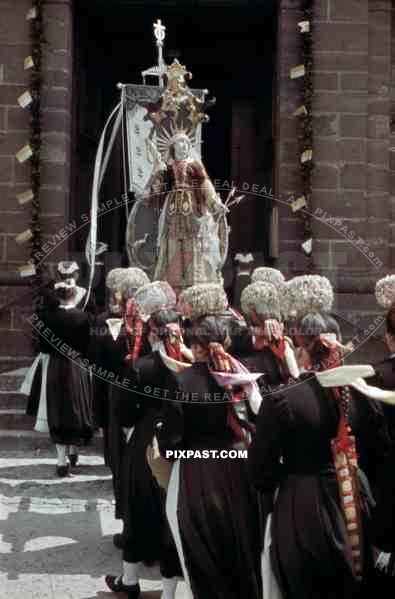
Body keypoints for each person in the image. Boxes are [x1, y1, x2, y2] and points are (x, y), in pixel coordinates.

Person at [248, 275, 389, 599]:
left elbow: (260, 474)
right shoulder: (363, 392)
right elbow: (380, 455)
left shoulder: (282, 398)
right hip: (356, 495)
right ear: (338, 341)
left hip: (302, 507)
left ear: (299, 348)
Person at [157, 283, 263, 599]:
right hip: (238, 469)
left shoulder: (181, 380)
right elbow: (254, 421)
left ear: (196, 345)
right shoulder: (241, 379)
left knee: (197, 546)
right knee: (239, 542)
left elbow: (171, 442)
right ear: (226, 341)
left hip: (195, 471)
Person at [105, 281, 186, 599]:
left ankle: (130, 582)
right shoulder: (189, 366)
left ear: (151, 333)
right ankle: (168, 593)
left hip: (145, 443)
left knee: (138, 513)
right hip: (180, 445)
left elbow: (123, 414)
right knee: (171, 516)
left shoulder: (139, 367)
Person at [90, 267, 150, 546]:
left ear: (121, 294)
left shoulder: (104, 323)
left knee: (123, 469)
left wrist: (99, 416)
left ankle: (131, 531)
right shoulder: (157, 323)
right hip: (150, 404)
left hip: (119, 402)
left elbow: (98, 374)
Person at [21, 276, 94, 477]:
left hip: (55, 366)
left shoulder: (46, 317)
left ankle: (61, 460)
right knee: (76, 408)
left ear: (58, 296)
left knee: (57, 409)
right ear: (73, 295)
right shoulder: (84, 318)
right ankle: (73, 451)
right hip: (78, 366)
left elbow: (42, 346)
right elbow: (89, 346)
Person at [148, 132, 227, 294]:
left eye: (186, 142)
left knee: (193, 244)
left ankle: (194, 285)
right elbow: (158, 190)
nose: (183, 145)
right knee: (172, 243)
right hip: (172, 211)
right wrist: (157, 168)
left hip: (192, 210)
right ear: (173, 147)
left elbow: (206, 185)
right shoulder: (168, 168)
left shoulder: (195, 165)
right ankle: (173, 286)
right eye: (180, 142)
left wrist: (215, 202)